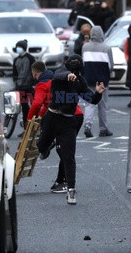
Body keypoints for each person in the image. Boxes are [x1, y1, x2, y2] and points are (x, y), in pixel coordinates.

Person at [37, 55, 106, 204]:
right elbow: (59, 74)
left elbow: (92, 100)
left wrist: (98, 93)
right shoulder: (60, 74)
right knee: (40, 147)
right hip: (52, 117)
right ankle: (49, 145)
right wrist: (68, 75)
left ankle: (71, 190)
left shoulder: (81, 81)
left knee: (69, 157)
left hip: (68, 121)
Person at [27, 61, 84, 194]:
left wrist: (30, 120)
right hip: (76, 114)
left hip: (65, 117)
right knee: (64, 150)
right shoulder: (55, 80)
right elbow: (48, 107)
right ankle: (61, 180)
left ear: (35, 74)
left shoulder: (42, 85)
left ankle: (63, 181)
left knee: (63, 151)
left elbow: (37, 104)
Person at [82, 25, 113, 137]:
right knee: (102, 105)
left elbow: (83, 63)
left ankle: (87, 125)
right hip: (102, 81)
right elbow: (111, 66)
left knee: (89, 104)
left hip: (88, 79)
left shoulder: (85, 47)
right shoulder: (107, 48)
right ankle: (103, 129)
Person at [13, 39, 36, 136]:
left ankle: (35, 128)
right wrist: (16, 82)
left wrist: (34, 82)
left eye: (20, 47)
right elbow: (14, 73)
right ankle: (26, 129)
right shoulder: (16, 60)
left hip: (29, 86)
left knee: (34, 106)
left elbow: (34, 70)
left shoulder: (30, 58)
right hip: (20, 87)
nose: (18, 49)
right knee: (24, 107)